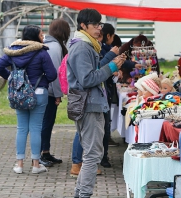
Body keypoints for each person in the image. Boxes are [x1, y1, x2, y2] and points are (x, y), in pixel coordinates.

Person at [67, 9, 124, 197]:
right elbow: (87, 79)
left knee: (91, 154)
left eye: (100, 24)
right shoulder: (82, 47)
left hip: (91, 103)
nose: (99, 28)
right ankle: (83, 195)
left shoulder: (88, 45)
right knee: (92, 155)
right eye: (95, 25)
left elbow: (92, 72)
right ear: (83, 25)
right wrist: (112, 67)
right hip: (89, 105)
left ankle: (80, 193)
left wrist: (111, 64)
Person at [0, 25, 57, 174]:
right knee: (36, 128)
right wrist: (41, 80)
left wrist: (10, 77)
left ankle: (19, 165)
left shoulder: (13, 51)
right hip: (38, 93)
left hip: (19, 93)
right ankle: (36, 165)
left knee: (21, 128)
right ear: (35, 36)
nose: (43, 35)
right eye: (41, 33)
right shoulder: (42, 52)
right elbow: (52, 75)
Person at [40, 18, 70, 167]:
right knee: (46, 123)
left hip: (47, 90)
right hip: (49, 92)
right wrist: (58, 94)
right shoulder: (55, 47)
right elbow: (55, 74)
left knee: (48, 122)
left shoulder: (51, 44)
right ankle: (41, 154)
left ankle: (45, 152)